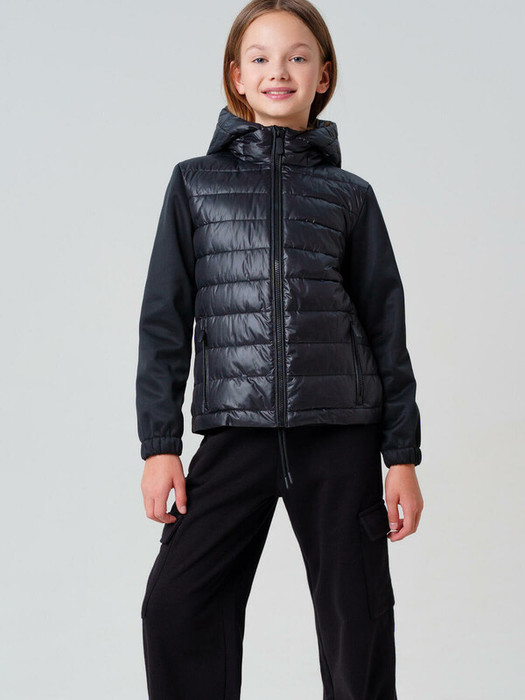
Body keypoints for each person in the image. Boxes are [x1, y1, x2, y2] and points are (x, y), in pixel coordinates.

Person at [135, 1, 424, 697]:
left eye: (297, 56)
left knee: (357, 624)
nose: (278, 71)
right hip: (236, 433)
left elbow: (385, 326)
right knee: (176, 607)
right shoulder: (194, 183)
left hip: (340, 436)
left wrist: (402, 456)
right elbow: (164, 319)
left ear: (322, 75)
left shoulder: (349, 196)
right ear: (236, 76)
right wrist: (159, 445)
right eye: (260, 58)